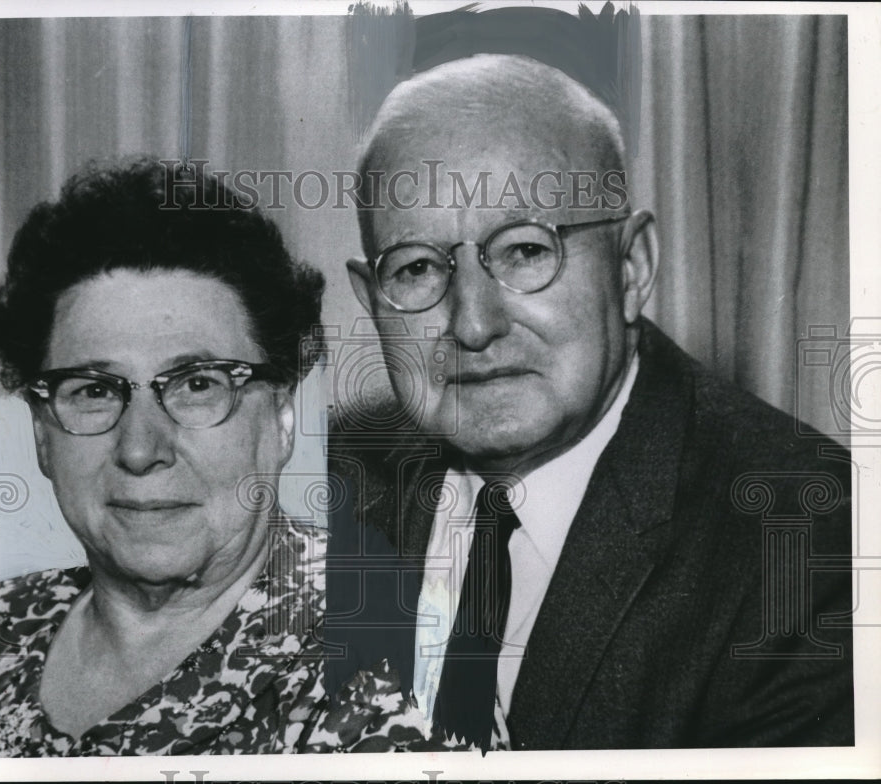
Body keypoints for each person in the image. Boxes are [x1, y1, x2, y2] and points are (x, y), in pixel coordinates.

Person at [325, 54, 854, 751]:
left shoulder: (807, 536)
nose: (475, 324)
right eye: (418, 268)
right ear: (371, 300)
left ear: (632, 267)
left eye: (523, 252)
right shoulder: (318, 481)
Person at [0, 157, 443, 756]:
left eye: (196, 385)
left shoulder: (395, 664)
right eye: (93, 390)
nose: (140, 450)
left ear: (282, 417)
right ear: (42, 432)